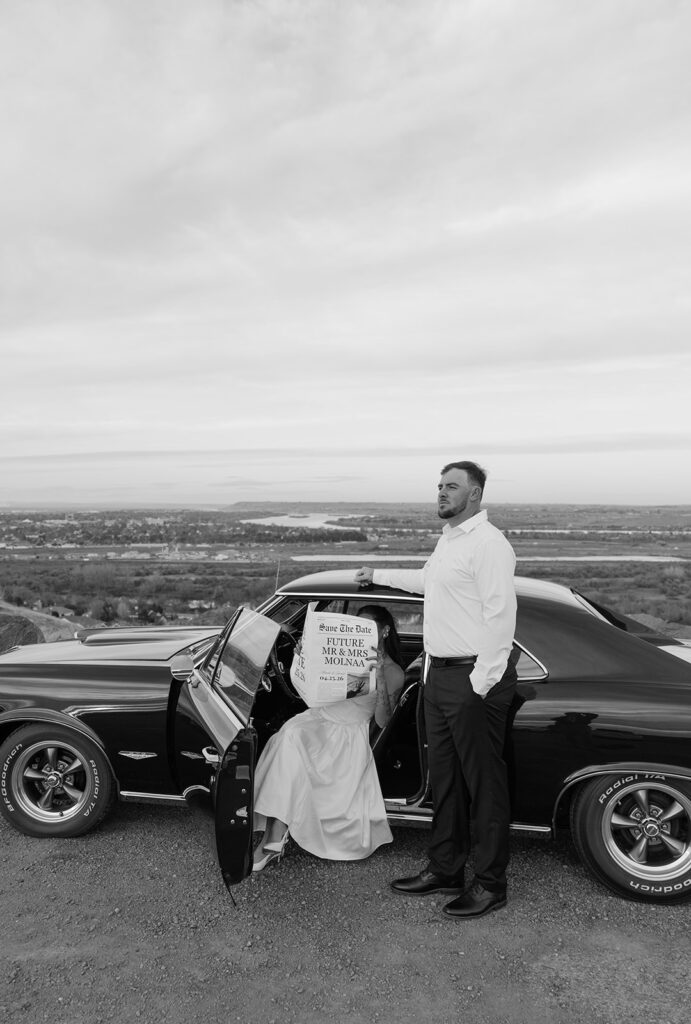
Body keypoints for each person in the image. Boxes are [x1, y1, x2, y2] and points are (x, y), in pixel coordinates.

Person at [355, 460, 517, 919]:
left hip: (471, 681)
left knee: (485, 787)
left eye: (452, 487)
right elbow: (428, 583)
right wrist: (379, 574)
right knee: (444, 782)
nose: (441, 493)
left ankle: (490, 885)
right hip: (439, 676)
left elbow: (500, 618)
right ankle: (445, 868)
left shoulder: (489, 544)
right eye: (440, 486)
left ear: (475, 495)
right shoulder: (450, 541)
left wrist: (478, 684)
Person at [252, 605, 406, 871]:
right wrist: (304, 659)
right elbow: (313, 690)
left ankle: (274, 834)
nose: (362, 634)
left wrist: (378, 674)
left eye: (368, 629)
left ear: (385, 631)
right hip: (320, 718)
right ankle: (276, 829)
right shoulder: (343, 654)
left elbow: (382, 720)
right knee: (289, 734)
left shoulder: (393, 671)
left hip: (347, 732)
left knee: (293, 741)